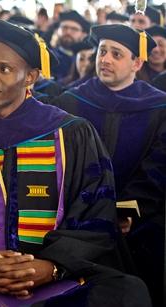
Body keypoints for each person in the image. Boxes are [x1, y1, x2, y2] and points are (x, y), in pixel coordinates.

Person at [0, 16, 151, 306]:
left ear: (31, 77)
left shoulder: (71, 133)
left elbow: (95, 213)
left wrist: (52, 266)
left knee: (127, 293)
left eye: (4, 68)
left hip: (62, 273)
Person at [50, 24, 166, 306]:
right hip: (78, 221)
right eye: (102, 51)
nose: (105, 59)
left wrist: (129, 210)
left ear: (137, 63)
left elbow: (158, 166)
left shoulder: (159, 107)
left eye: (116, 54)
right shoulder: (70, 101)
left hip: (140, 223)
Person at [51, 10, 90, 83]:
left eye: (74, 29)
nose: (68, 32)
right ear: (57, 30)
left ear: (83, 34)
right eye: (64, 27)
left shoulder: (89, 59)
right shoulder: (48, 56)